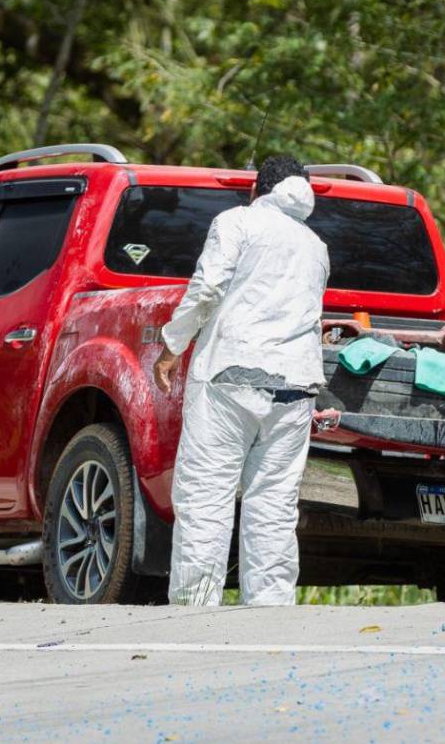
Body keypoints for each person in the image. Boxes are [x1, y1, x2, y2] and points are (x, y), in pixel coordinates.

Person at [152, 155, 330, 606]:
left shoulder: (236, 222)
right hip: (295, 387)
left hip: (231, 377)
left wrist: (173, 344)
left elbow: (208, 286)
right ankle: (270, 609)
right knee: (273, 504)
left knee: (205, 495)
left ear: (258, 190)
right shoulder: (316, 246)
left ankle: (195, 607)